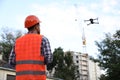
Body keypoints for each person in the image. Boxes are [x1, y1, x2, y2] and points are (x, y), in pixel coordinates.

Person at [9, 15, 53, 80]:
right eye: (39, 26)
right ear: (36, 27)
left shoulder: (17, 42)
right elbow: (49, 59)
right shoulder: (43, 39)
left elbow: (11, 62)